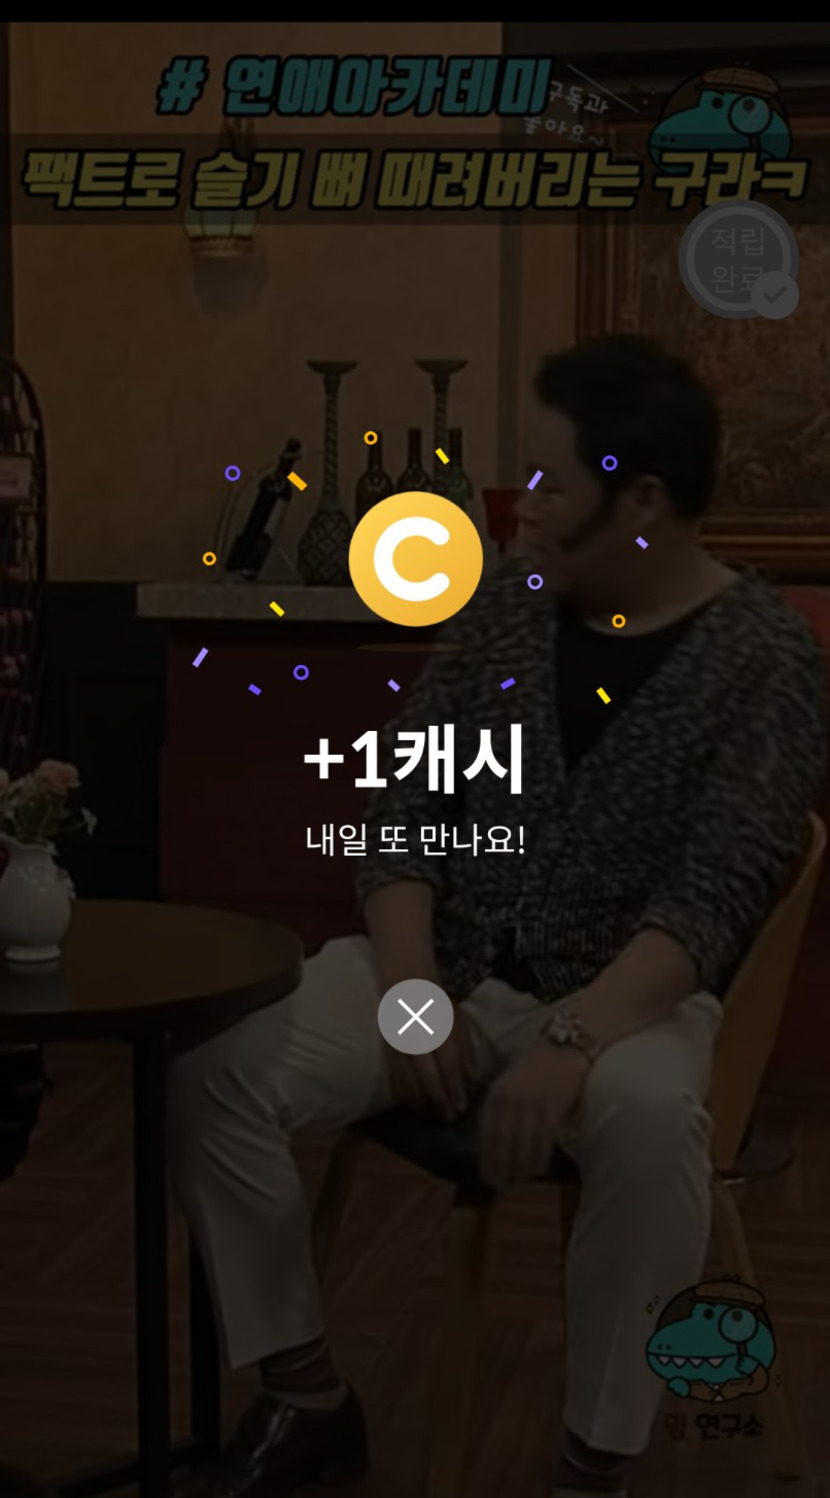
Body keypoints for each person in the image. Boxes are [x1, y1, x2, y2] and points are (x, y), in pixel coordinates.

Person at [170, 335, 827, 1498]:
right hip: (450, 967)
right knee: (211, 1060)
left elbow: (713, 895)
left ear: (640, 503)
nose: (520, 509)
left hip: (631, 1001)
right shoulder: (506, 607)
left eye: (550, 485)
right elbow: (403, 808)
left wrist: (571, 1041)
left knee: (650, 1119)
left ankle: (592, 1462)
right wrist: (409, 983)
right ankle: (307, 1394)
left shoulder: (762, 655)